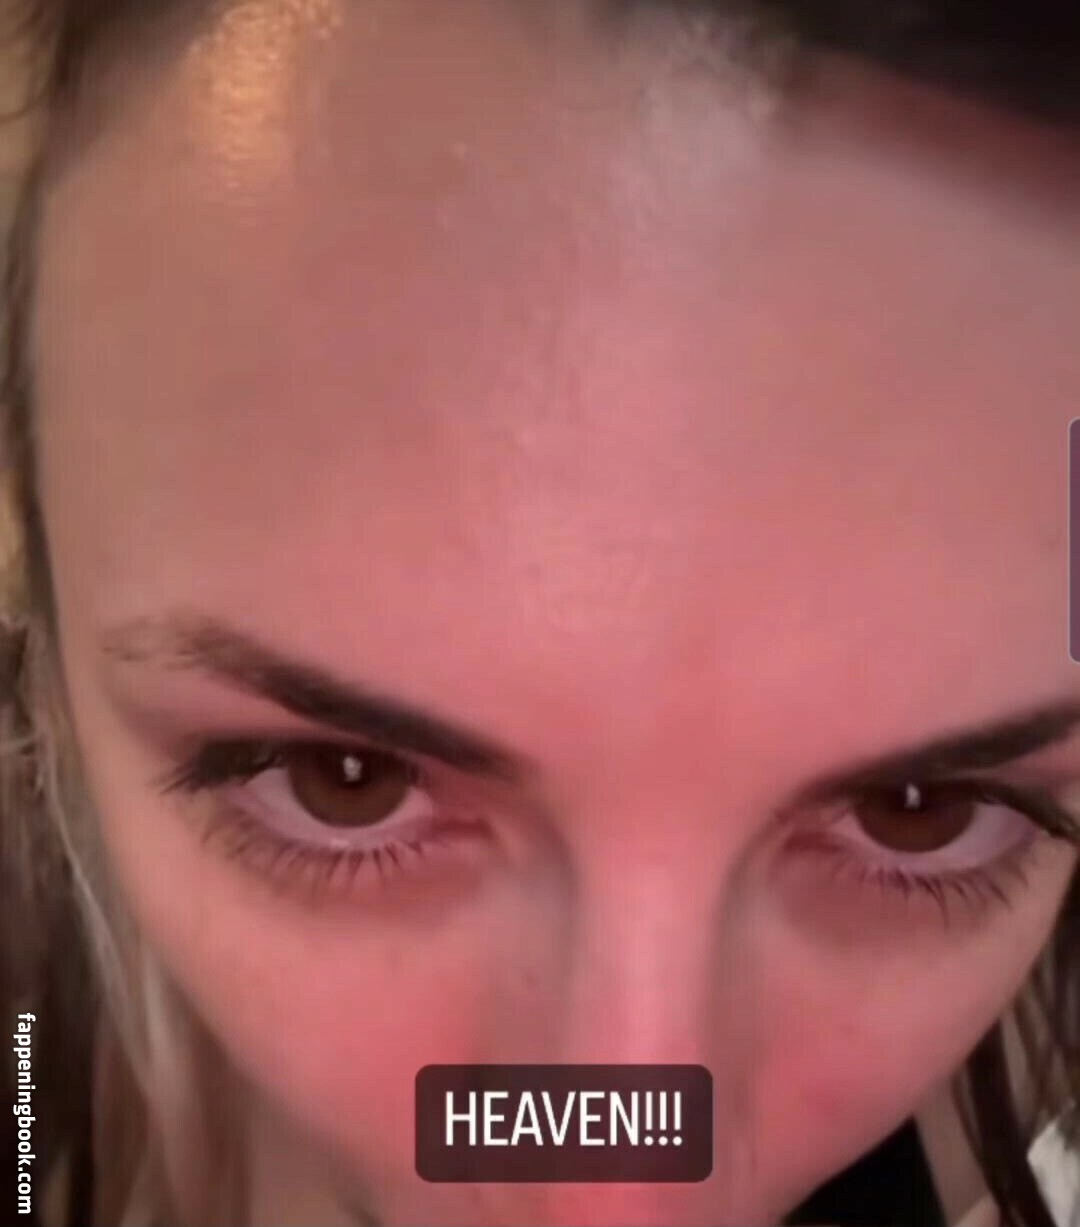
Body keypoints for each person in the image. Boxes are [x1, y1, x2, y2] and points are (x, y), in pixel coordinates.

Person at [1, 1, 1078, 1224]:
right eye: (345, 782)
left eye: (921, 813)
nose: (621, 1193)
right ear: (43, 607)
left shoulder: (1007, 1097)